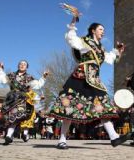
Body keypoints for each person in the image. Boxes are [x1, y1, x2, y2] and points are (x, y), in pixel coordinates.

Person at [50, 17, 129, 149]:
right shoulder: (84, 41)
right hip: (79, 78)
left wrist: (118, 51)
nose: (103, 32)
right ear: (93, 30)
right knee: (69, 107)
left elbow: (110, 58)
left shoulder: (101, 48)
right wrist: (73, 22)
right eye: (100, 29)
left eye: (103, 30)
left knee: (103, 106)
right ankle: (62, 140)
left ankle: (114, 137)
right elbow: (71, 38)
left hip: (94, 80)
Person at [0, 60, 48, 145]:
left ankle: (9, 136)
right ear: (18, 66)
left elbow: (38, 85)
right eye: (20, 64)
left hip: (21, 99)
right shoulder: (12, 75)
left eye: (24, 64)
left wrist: (43, 77)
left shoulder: (29, 77)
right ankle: (9, 136)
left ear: (27, 67)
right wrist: (0, 69)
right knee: (10, 118)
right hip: (11, 98)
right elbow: (3, 80)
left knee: (15, 117)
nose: (22, 65)